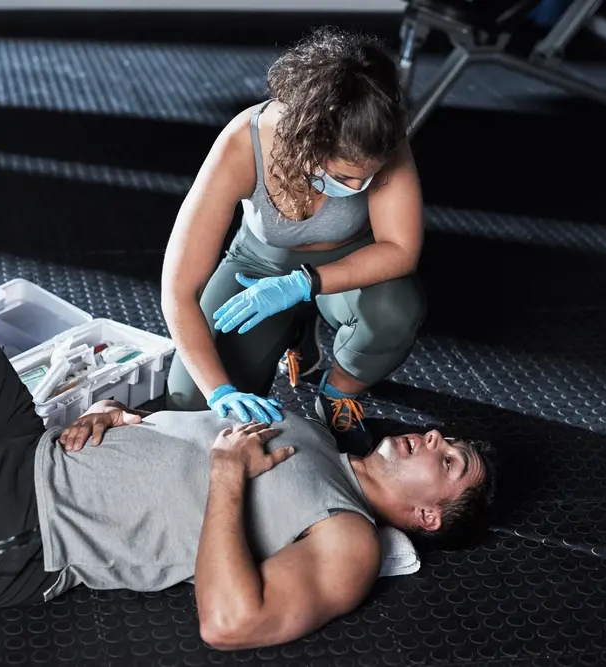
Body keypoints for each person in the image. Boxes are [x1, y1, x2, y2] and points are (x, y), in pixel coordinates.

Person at [0, 269, 495, 650]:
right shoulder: (316, 434)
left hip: (27, 528)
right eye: (440, 434)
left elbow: (229, 621)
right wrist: (126, 415)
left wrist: (228, 480)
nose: (431, 437)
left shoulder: (351, 538)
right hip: (29, 449)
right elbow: (188, 446)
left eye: (449, 458)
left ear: (427, 515)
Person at [162, 26, 426, 454]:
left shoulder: (378, 138)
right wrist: (218, 394)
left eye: (369, 178)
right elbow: (178, 291)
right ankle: (294, 334)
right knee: (189, 410)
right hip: (258, 268)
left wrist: (304, 283)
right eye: (344, 176)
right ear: (306, 142)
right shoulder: (243, 142)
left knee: (396, 310)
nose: (359, 186)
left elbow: (401, 250)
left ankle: (338, 393)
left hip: (347, 267)